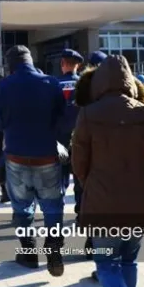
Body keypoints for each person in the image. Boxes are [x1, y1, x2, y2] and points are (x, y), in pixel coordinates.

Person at [71, 55, 144, 287]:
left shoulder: (88, 113)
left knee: (107, 263)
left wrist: (91, 183)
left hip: (102, 200)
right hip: (140, 198)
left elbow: (79, 161)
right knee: (129, 260)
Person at [0, 45, 66, 277]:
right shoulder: (51, 83)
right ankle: (54, 249)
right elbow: (61, 118)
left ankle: (29, 253)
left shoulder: (4, 85)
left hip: (16, 155)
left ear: (11, 64)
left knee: (22, 205)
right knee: (53, 205)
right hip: (46, 154)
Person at [56, 49, 83, 207]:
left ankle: (58, 205)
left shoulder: (52, 83)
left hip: (58, 136)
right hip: (80, 135)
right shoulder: (84, 84)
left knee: (59, 173)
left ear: (62, 64)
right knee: (80, 172)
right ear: (78, 65)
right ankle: (80, 207)